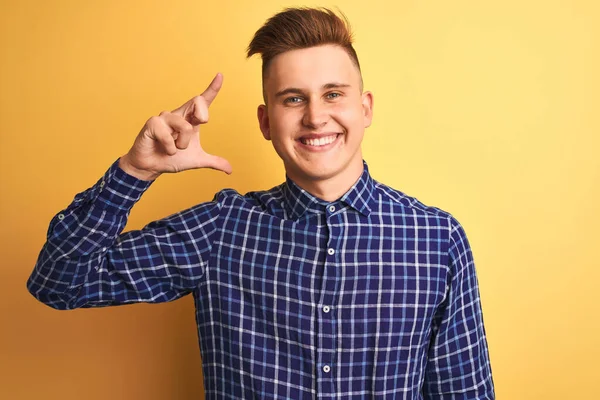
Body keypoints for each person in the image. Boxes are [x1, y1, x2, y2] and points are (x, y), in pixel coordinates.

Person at [27, 7, 495, 399]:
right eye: (293, 99)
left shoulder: (436, 239)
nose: (315, 117)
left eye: (333, 94)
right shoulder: (219, 230)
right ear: (266, 121)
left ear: (365, 108)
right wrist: (136, 169)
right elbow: (60, 281)